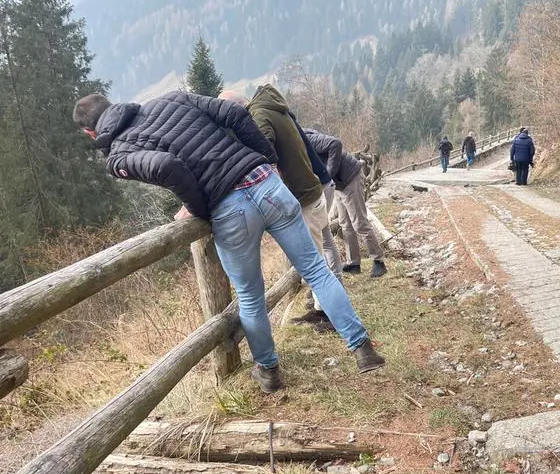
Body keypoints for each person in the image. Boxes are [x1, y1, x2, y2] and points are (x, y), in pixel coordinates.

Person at [72, 91, 386, 394]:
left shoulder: (118, 156)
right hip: (266, 182)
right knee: (316, 270)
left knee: (250, 295)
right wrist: (268, 160)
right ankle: (362, 349)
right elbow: (235, 112)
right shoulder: (171, 98)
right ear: (113, 104)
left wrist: (201, 211)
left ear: (89, 132)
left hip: (229, 210)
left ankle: (269, 370)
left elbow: (168, 167)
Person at [222, 85, 343, 329]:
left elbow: (263, 152)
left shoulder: (258, 117)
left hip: (303, 196)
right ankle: (322, 309)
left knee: (316, 264)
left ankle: (332, 316)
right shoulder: (271, 107)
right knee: (318, 257)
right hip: (311, 189)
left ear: (235, 110)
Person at [304, 127, 388, 278]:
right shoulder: (301, 142)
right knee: (345, 224)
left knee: (359, 222)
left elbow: (335, 144)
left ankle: (379, 261)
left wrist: (329, 175)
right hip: (339, 183)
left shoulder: (307, 139)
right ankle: (354, 263)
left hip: (350, 177)